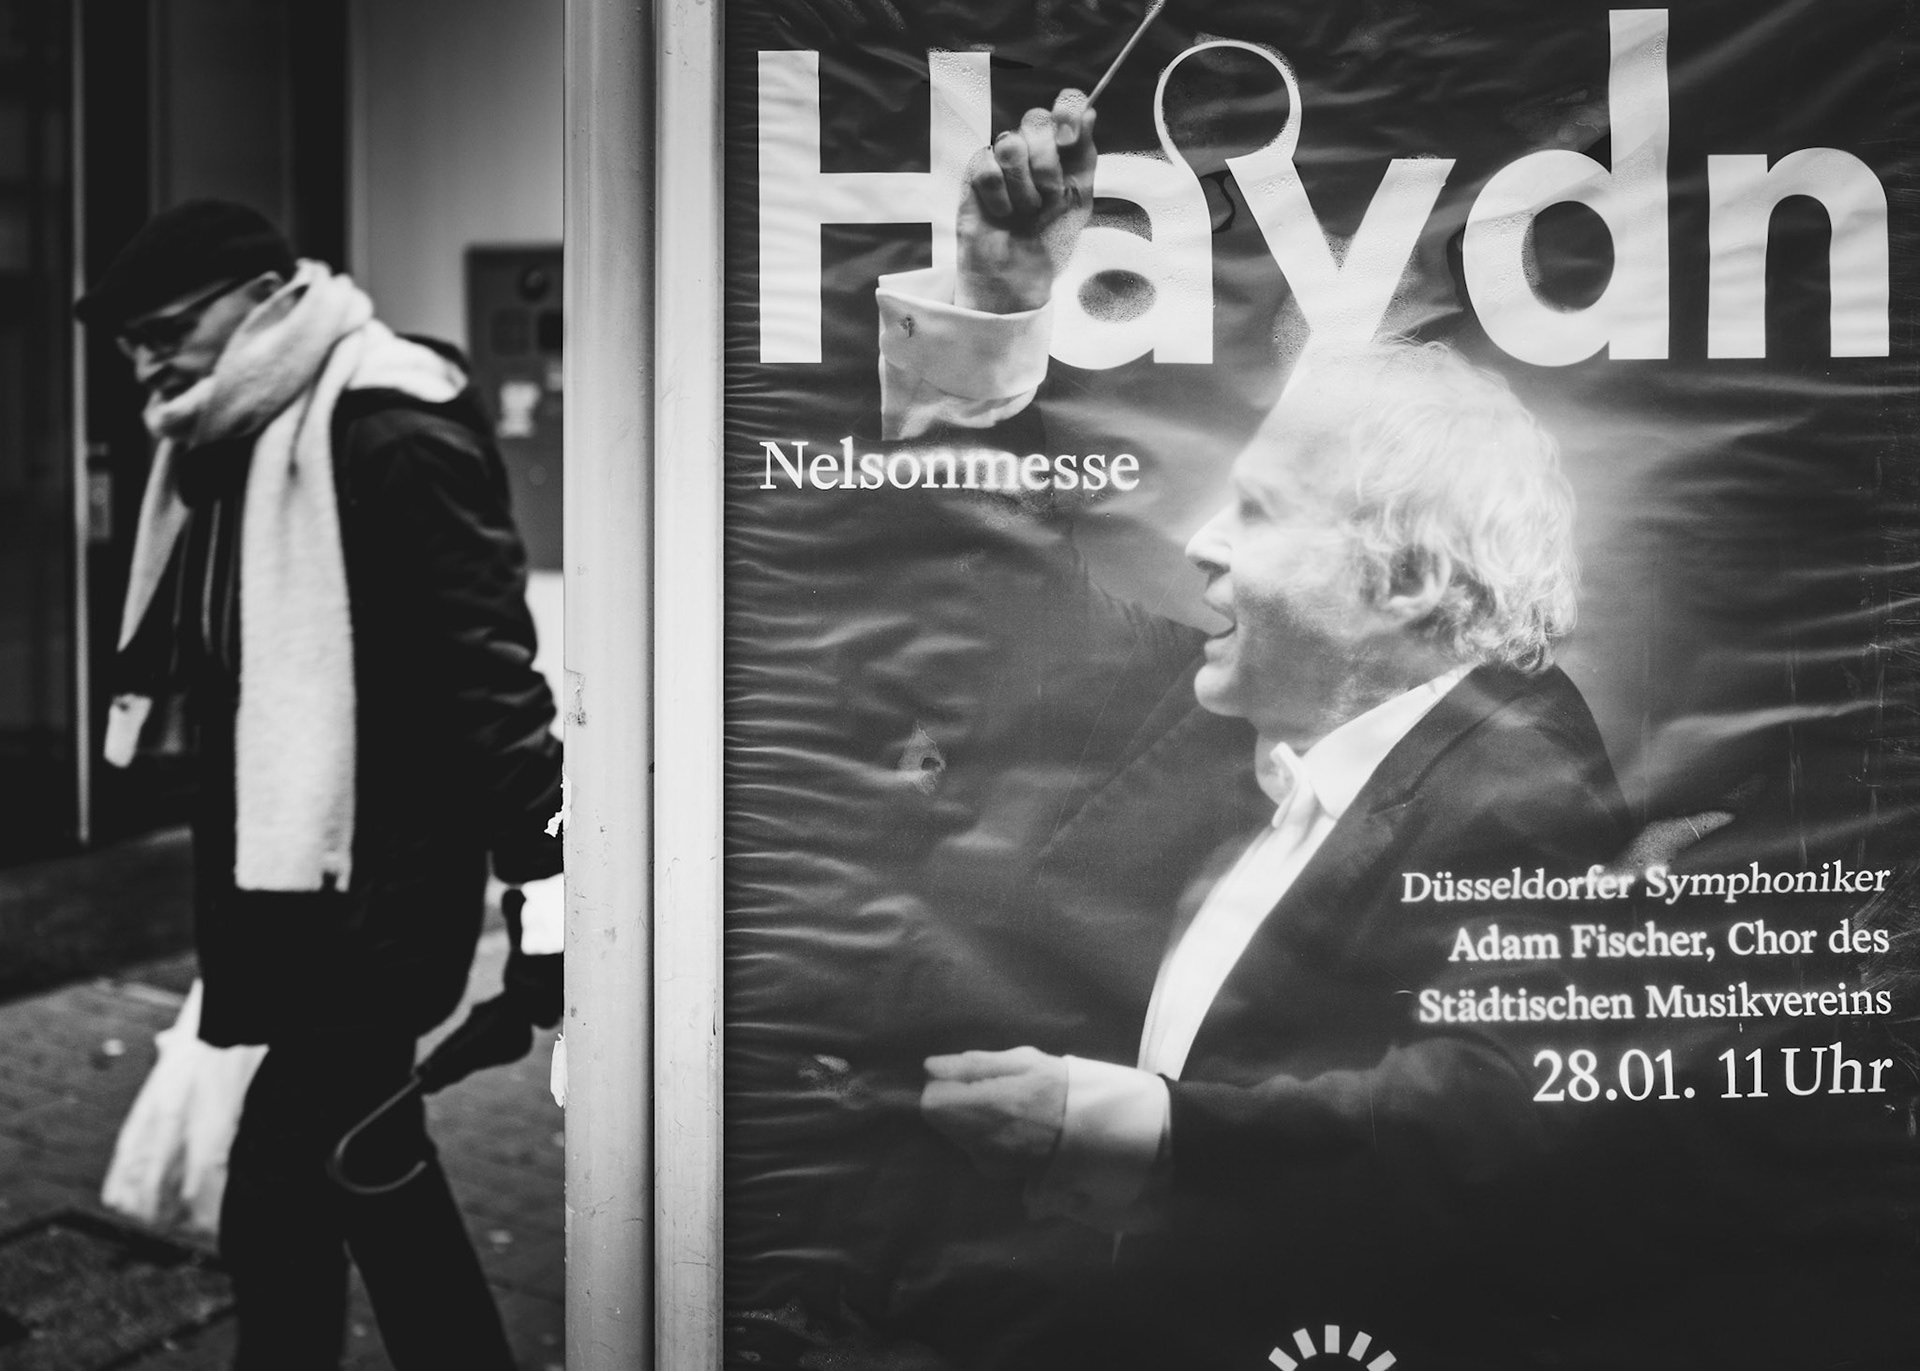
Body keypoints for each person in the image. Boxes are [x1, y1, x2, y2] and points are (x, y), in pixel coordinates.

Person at [888, 96, 1636, 1367]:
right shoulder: (1255, 708)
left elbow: (1493, 1113)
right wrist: (997, 302)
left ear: (1403, 584)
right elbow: (993, 580)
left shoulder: (1522, 781)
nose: (1201, 544)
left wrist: (1134, 1128)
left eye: (1260, 512)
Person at [76, 200, 561, 1370]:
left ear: (266, 298)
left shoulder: (388, 431)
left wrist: (545, 894)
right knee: (369, 1170)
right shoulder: (237, 438)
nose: (148, 368)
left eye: (166, 333)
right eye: (132, 347)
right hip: (298, 888)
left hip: (374, 895)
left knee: (277, 1194)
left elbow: (492, 678)